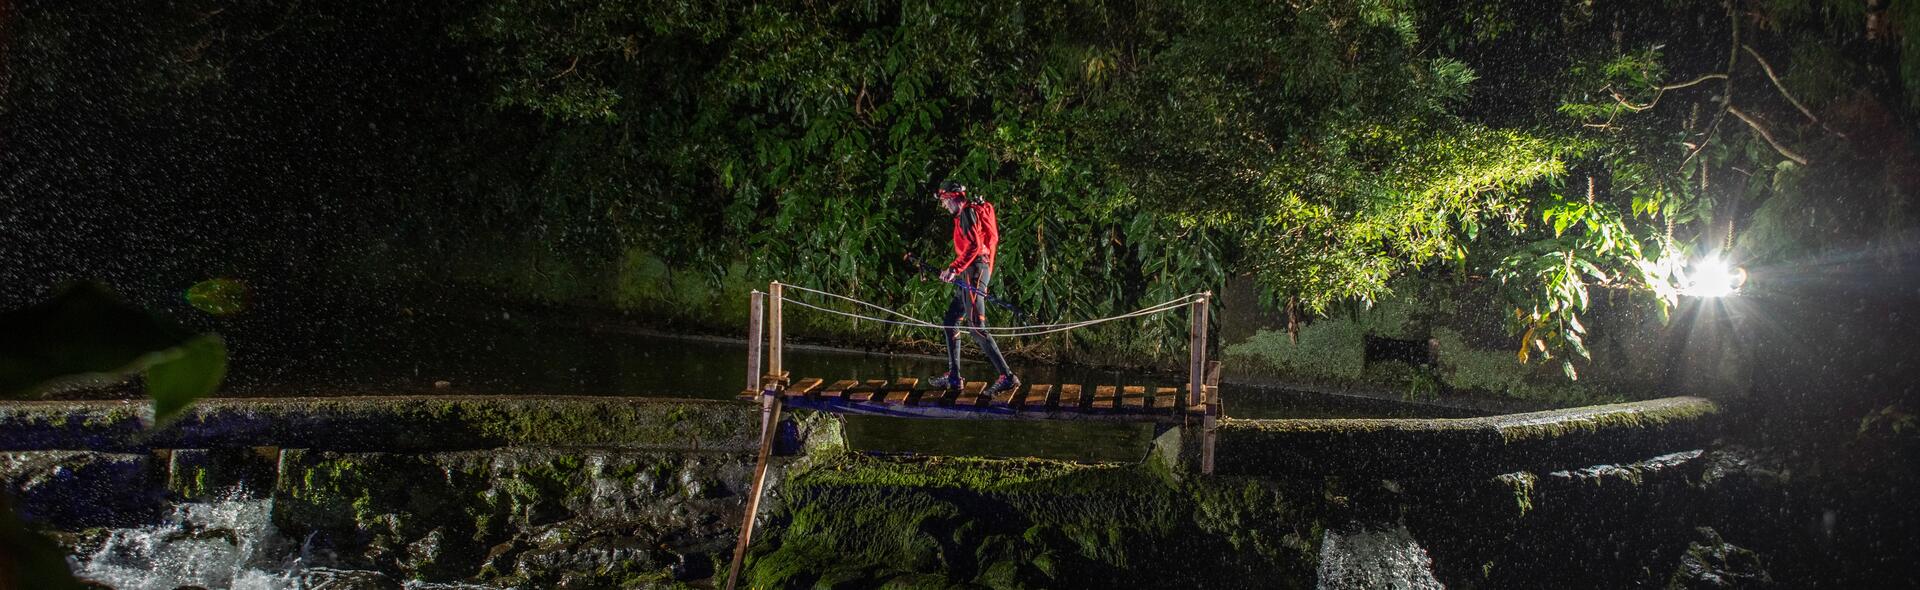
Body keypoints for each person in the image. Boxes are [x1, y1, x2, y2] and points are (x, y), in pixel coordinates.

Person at [928, 180, 1021, 397]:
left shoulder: (967, 213)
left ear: (952, 198)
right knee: (951, 320)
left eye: (943, 201)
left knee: (977, 327)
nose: (943, 206)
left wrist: (954, 268)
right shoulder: (966, 214)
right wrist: (957, 269)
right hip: (972, 271)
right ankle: (954, 376)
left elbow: (974, 247)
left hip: (975, 270)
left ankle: (1007, 377)